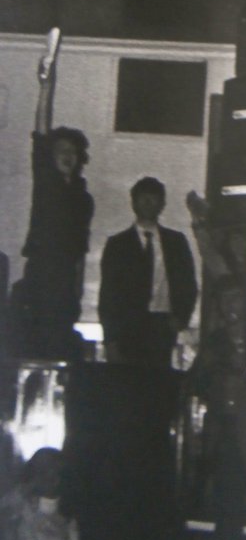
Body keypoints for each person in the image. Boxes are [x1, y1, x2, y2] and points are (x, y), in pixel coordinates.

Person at [16, 33, 94, 360]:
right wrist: (46, 86)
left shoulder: (83, 198)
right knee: (30, 348)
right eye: (61, 150)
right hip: (39, 278)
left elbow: (80, 251)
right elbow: (42, 132)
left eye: (72, 152)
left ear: (79, 158)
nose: (67, 155)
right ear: (51, 156)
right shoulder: (46, 182)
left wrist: (76, 292)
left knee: (60, 353)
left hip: (65, 286)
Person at [98, 176, 198, 368]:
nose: (148, 203)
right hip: (127, 329)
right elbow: (108, 295)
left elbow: (188, 284)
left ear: (162, 204)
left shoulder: (176, 242)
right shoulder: (117, 245)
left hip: (162, 327)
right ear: (133, 202)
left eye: (153, 198)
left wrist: (181, 318)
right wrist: (110, 340)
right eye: (143, 198)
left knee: (157, 380)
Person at [0, 447, 85, 540]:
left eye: (55, 471)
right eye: (42, 471)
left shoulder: (67, 522)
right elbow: (5, 509)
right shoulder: (21, 508)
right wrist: (27, 489)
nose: (49, 478)